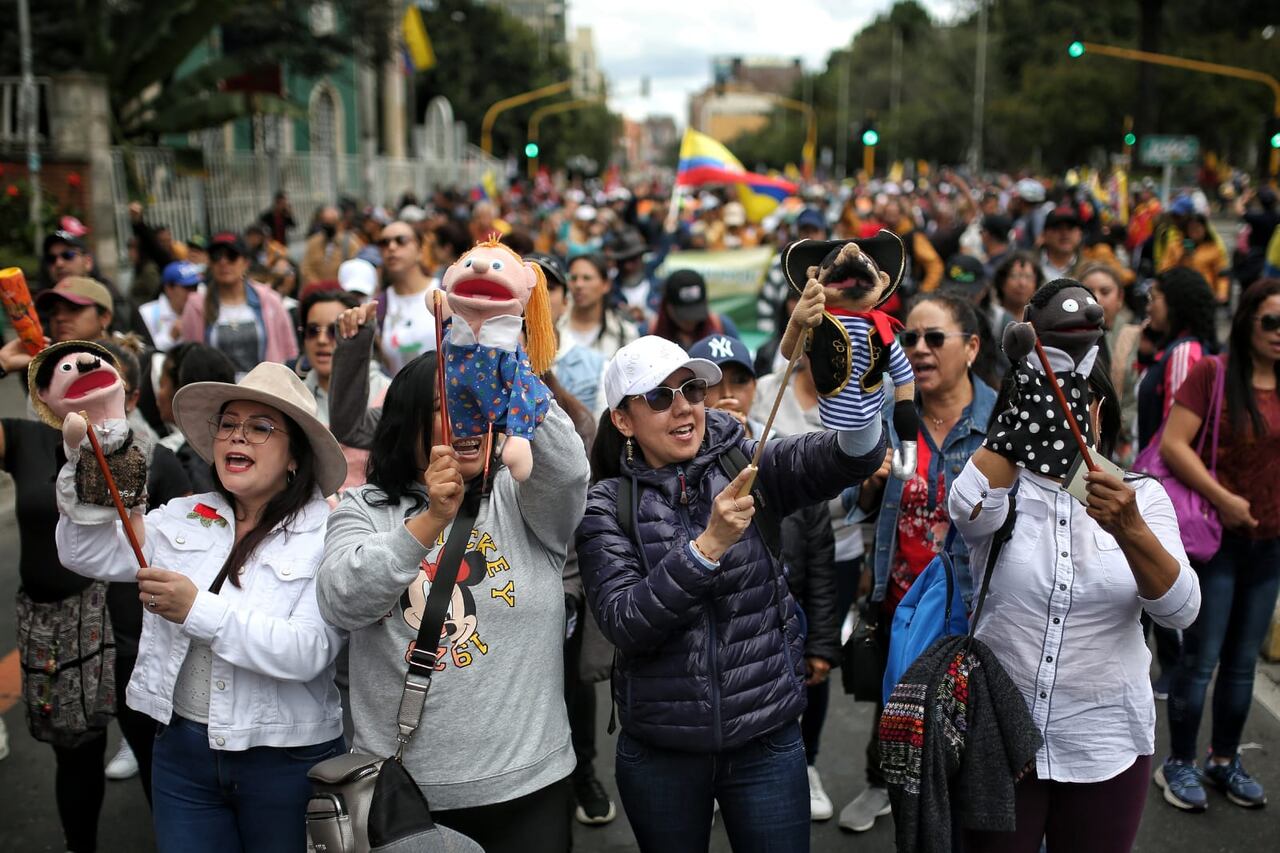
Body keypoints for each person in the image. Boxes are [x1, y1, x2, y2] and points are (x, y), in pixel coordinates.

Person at [577, 305, 886, 853]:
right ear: (623, 420)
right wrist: (709, 545)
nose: (682, 406)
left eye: (691, 389)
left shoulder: (749, 459)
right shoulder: (605, 505)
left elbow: (849, 457)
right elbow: (627, 624)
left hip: (765, 742)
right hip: (661, 754)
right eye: (658, 396)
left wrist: (854, 359)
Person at [54, 361, 349, 853]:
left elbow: (310, 651)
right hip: (181, 752)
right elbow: (83, 553)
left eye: (260, 428)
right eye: (229, 424)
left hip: (287, 760)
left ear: (296, 454)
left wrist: (196, 609)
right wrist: (91, 465)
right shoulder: (186, 515)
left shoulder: (329, 532)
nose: (238, 436)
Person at [948, 286, 1201, 852]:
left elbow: (1181, 609)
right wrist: (1016, 432)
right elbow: (966, 509)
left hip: (1105, 742)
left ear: (1100, 408)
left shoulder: (1140, 496)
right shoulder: (1004, 488)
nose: (1061, 409)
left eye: (1075, 396)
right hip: (1003, 736)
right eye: (1047, 396)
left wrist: (1130, 529)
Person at [317, 346, 590, 853]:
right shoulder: (366, 508)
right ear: (408, 419)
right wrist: (427, 523)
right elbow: (341, 602)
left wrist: (513, 372)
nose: (467, 416)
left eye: (477, 401)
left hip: (529, 784)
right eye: (447, 403)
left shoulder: (523, 496)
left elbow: (570, 470)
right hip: (406, 795)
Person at [838, 292, 995, 834]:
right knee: (902, 724)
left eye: (935, 338)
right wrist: (867, 479)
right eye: (909, 339)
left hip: (979, 614)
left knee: (968, 738)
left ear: (972, 347)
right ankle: (886, 785)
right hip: (901, 605)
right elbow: (847, 503)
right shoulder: (889, 415)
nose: (919, 350)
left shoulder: (1001, 420)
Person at [690, 332, 843, 822]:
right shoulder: (675, 469)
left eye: (741, 379)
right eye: (714, 385)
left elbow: (819, 554)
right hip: (716, 629)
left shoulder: (778, 458)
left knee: (804, 691)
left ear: (759, 386)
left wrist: (821, 640)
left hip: (784, 613)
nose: (728, 393)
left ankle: (808, 765)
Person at [1156, 278, 1280, 812]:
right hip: (1217, 540)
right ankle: (1178, 763)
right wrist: (1223, 498)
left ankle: (1224, 760)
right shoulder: (1214, 373)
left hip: (1270, 543)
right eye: (1271, 321)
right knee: (1202, 659)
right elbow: (1172, 445)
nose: (1279, 334)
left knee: (1243, 664)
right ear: (1248, 319)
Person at [297, 288, 390, 492]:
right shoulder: (292, 397)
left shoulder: (389, 393)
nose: (322, 340)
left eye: (334, 330)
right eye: (313, 330)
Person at [179, 233, 298, 376]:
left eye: (232, 255)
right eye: (216, 256)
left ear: (246, 262)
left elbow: (289, 352)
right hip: (216, 394)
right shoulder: (196, 305)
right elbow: (190, 361)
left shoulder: (270, 300)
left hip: (266, 391)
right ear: (210, 263)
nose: (223, 262)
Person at [1136, 267, 1219, 451]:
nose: (1148, 308)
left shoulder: (1184, 352)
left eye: (1153, 298)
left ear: (1176, 303)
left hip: (1161, 475)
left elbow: (1174, 434)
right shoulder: (1172, 350)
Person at [1078, 262, 1141, 465]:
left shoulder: (1137, 338)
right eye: (1088, 291)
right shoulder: (1065, 342)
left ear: (1120, 298)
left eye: (1105, 291)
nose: (1096, 298)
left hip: (1126, 442)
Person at [375, 219, 440, 374]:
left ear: (420, 250)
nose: (391, 247)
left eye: (401, 241)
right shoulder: (378, 306)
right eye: (384, 243)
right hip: (399, 396)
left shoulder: (444, 293)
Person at [758, 207, 827, 335]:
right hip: (783, 339)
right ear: (797, 233)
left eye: (814, 230)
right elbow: (766, 310)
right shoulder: (779, 265)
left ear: (824, 233)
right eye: (805, 230)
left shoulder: (833, 266)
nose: (810, 235)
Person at [560, 253, 640, 360]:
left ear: (606, 285)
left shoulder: (624, 333)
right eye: (573, 278)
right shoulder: (554, 328)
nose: (579, 285)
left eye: (587, 278)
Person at [650, 269, 739, 349]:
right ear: (668, 307)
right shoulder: (649, 332)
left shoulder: (722, 327)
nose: (691, 321)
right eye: (684, 315)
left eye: (696, 312)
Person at [1159, 213, 1231, 305]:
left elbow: (1221, 274)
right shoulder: (1175, 246)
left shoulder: (1213, 248)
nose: (1195, 231)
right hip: (1180, 296)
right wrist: (1183, 255)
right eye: (1192, 228)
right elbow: (1165, 270)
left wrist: (1222, 292)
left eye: (1198, 227)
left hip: (1205, 296)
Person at [140, 261, 203, 353]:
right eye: (187, 288)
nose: (192, 293)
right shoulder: (147, 313)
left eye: (195, 287)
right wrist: (170, 337)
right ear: (169, 289)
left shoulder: (203, 310)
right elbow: (142, 351)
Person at [300, 205, 361, 286]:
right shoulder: (313, 242)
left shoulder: (350, 243)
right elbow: (306, 268)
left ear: (339, 223)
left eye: (332, 222)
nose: (328, 226)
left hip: (341, 290)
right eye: (325, 222)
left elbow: (355, 268)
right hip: (317, 291)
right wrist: (318, 285)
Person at [990, 251, 1044, 330]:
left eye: (1028, 277)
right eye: (1015, 276)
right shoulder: (992, 319)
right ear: (1002, 282)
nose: (1022, 283)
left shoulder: (1042, 322)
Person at [1039, 206, 1084, 281]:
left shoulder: (1089, 269)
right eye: (1057, 228)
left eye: (1070, 228)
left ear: (1080, 234)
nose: (1064, 233)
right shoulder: (1028, 265)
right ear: (1045, 234)